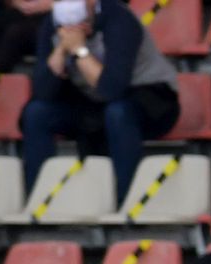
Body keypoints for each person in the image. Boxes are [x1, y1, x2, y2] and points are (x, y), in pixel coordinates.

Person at [20, 0, 179, 204]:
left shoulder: (120, 19)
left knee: (118, 112)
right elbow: (42, 91)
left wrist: (79, 49)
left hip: (149, 99)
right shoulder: (52, 24)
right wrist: (61, 49)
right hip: (92, 102)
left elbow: (112, 88)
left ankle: (126, 199)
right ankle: (39, 197)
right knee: (36, 113)